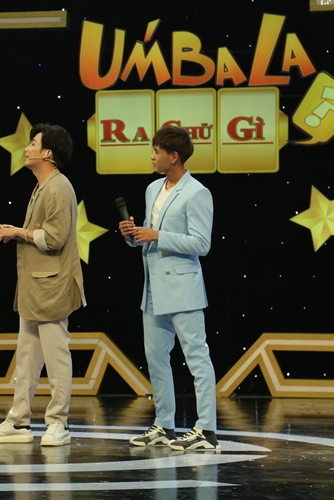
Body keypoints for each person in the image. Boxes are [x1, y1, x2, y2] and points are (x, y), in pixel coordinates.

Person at [0, 123, 86, 447]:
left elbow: (54, 238)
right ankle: (18, 421)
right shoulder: (42, 186)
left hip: (52, 286)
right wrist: (18, 230)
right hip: (34, 286)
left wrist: (18, 232)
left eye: (33, 144)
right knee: (27, 356)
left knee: (56, 355)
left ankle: (58, 422)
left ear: (47, 153)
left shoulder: (58, 187)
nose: (26, 149)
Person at [118, 124, 219, 451]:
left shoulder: (197, 192)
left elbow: (201, 244)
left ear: (173, 156)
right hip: (153, 289)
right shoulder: (152, 189)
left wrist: (158, 235)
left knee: (196, 357)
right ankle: (164, 424)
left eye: (157, 151)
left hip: (182, 288)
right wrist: (134, 236)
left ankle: (207, 430)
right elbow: (149, 237)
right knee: (156, 358)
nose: (152, 156)